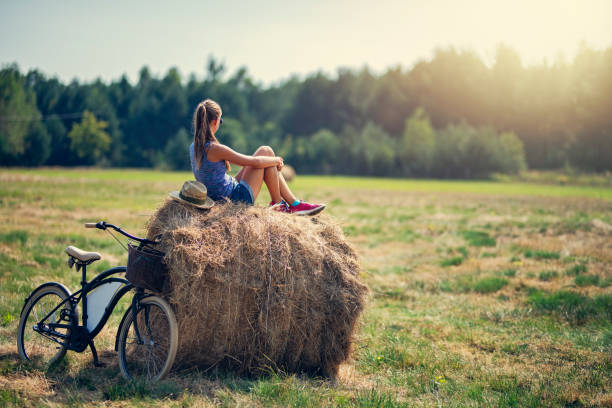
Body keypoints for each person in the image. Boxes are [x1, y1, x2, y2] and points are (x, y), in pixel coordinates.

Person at [189, 99, 325, 215]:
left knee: (267, 157)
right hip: (235, 199)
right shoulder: (215, 148)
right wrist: (277, 160)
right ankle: (282, 205)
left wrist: (271, 161)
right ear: (215, 121)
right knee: (266, 152)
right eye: (221, 120)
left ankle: (292, 204)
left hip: (220, 195)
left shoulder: (193, 147)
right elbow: (254, 162)